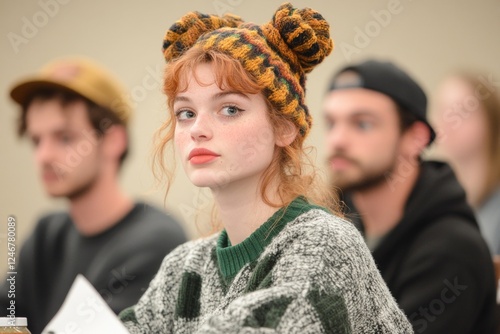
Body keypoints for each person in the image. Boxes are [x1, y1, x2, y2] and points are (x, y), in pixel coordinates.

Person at [119, 4, 413, 333]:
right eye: (185, 113)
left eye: (229, 108)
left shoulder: (325, 244)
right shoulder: (183, 268)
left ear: (284, 127)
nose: (197, 129)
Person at [1, 57, 187, 334]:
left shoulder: (156, 241)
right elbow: (7, 315)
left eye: (64, 138)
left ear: (113, 140)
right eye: (36, 140)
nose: (44, 156)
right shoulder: (46, 235)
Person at [323, 59, 497, 333]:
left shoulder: (451, 251)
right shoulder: (334, 230)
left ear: (415, 138)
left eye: (363, 124)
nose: (337, 140)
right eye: (331, 123)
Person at [434, 71, 500, 256]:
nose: (448, 121)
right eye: (442, 110)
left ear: (491, 121)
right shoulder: (432, 201)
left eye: (462, 111)